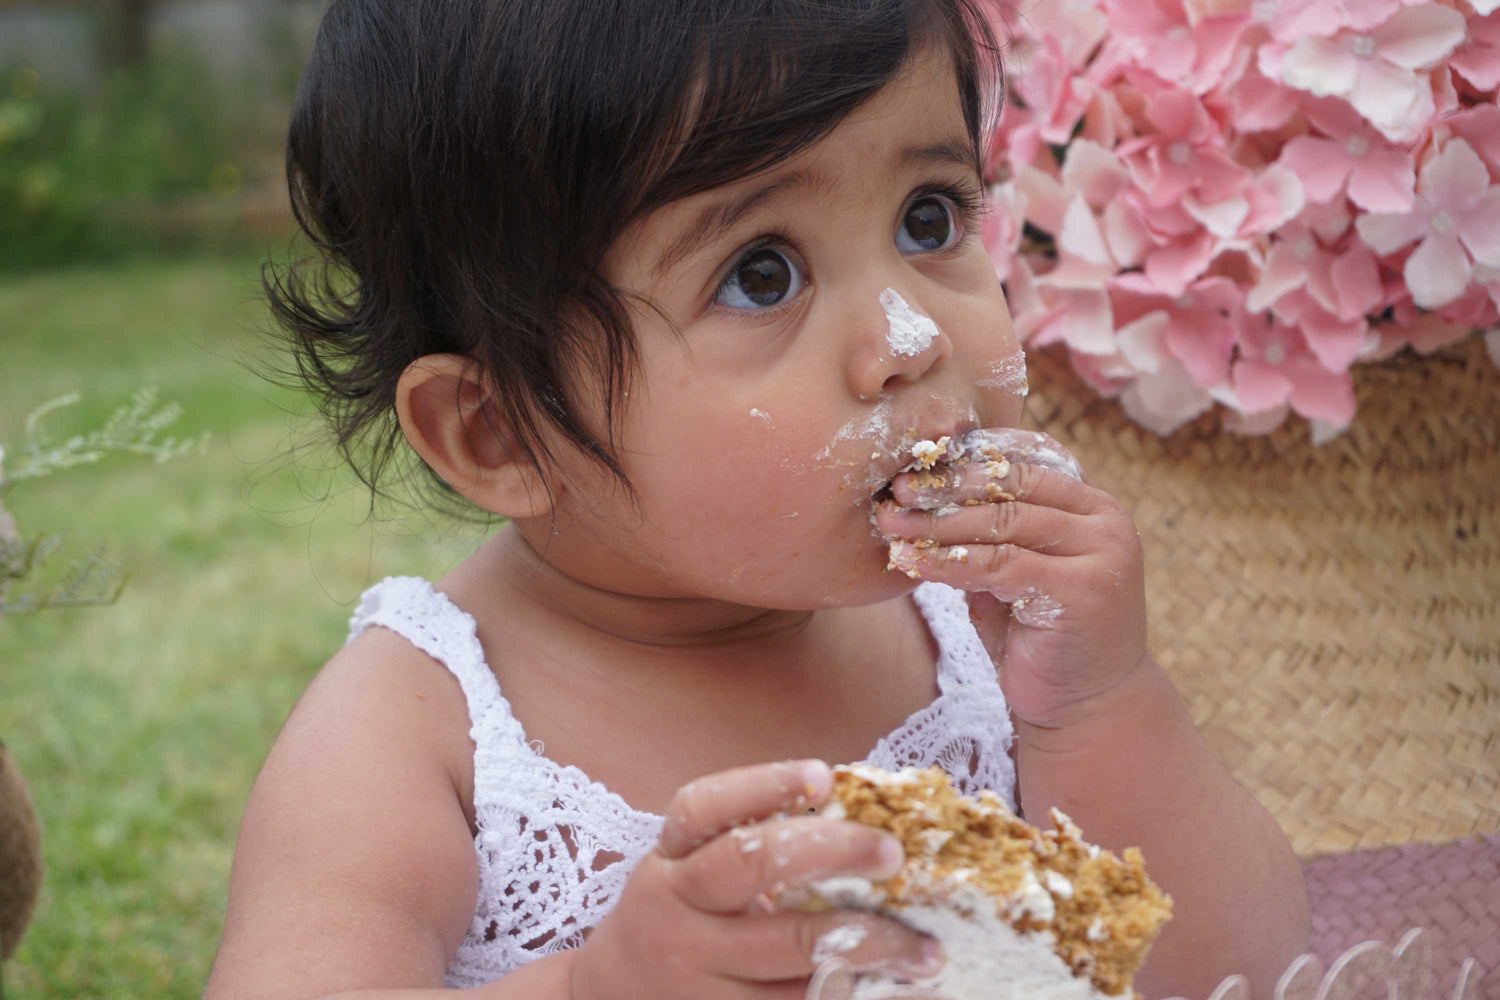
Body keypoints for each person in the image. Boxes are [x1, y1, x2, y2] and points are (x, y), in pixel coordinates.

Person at [204, 1, 1310, 997]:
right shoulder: (421, 726)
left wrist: (1105, 703)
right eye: (761, 274)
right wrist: (598, 991)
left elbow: (1244, 970)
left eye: (930, 218)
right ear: (499, 434)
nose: (908, 339)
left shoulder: (971, 637)